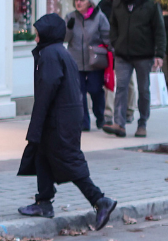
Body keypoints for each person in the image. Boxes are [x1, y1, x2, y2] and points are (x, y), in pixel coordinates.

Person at [18, 13, 120, 230]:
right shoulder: (59, 53)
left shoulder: (50, 54)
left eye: (38, 34)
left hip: (58, 118)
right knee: (42, 154)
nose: (36, 38)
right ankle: (43, 202)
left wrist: (37, 121)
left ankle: (100, 200)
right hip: (64, 115)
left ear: (47, 34)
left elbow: (47, 90)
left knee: (69, 160)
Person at [103, 0, 165, 138]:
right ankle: (119, 124)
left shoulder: (150, 2)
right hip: (123, 54)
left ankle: (142, 123)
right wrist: (115, 42)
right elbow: (113, 25)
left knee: (143, 90)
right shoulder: (118, 2)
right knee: (121, 88)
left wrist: (159, 54)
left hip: (144, 55)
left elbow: (159, 29)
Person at [67, 0, 111, 131]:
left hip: (95, 60)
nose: (78, 3)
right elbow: (65, 38)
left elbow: (107, 35)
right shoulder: (70, 17)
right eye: (77, 0)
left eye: (82, 0)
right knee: (79, 93)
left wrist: (111, 52)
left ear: (89, 2)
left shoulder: (99, 17)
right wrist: (68, 28)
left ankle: (100, 117)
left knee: (95, 89)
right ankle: (83, 122)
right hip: (76, 61)